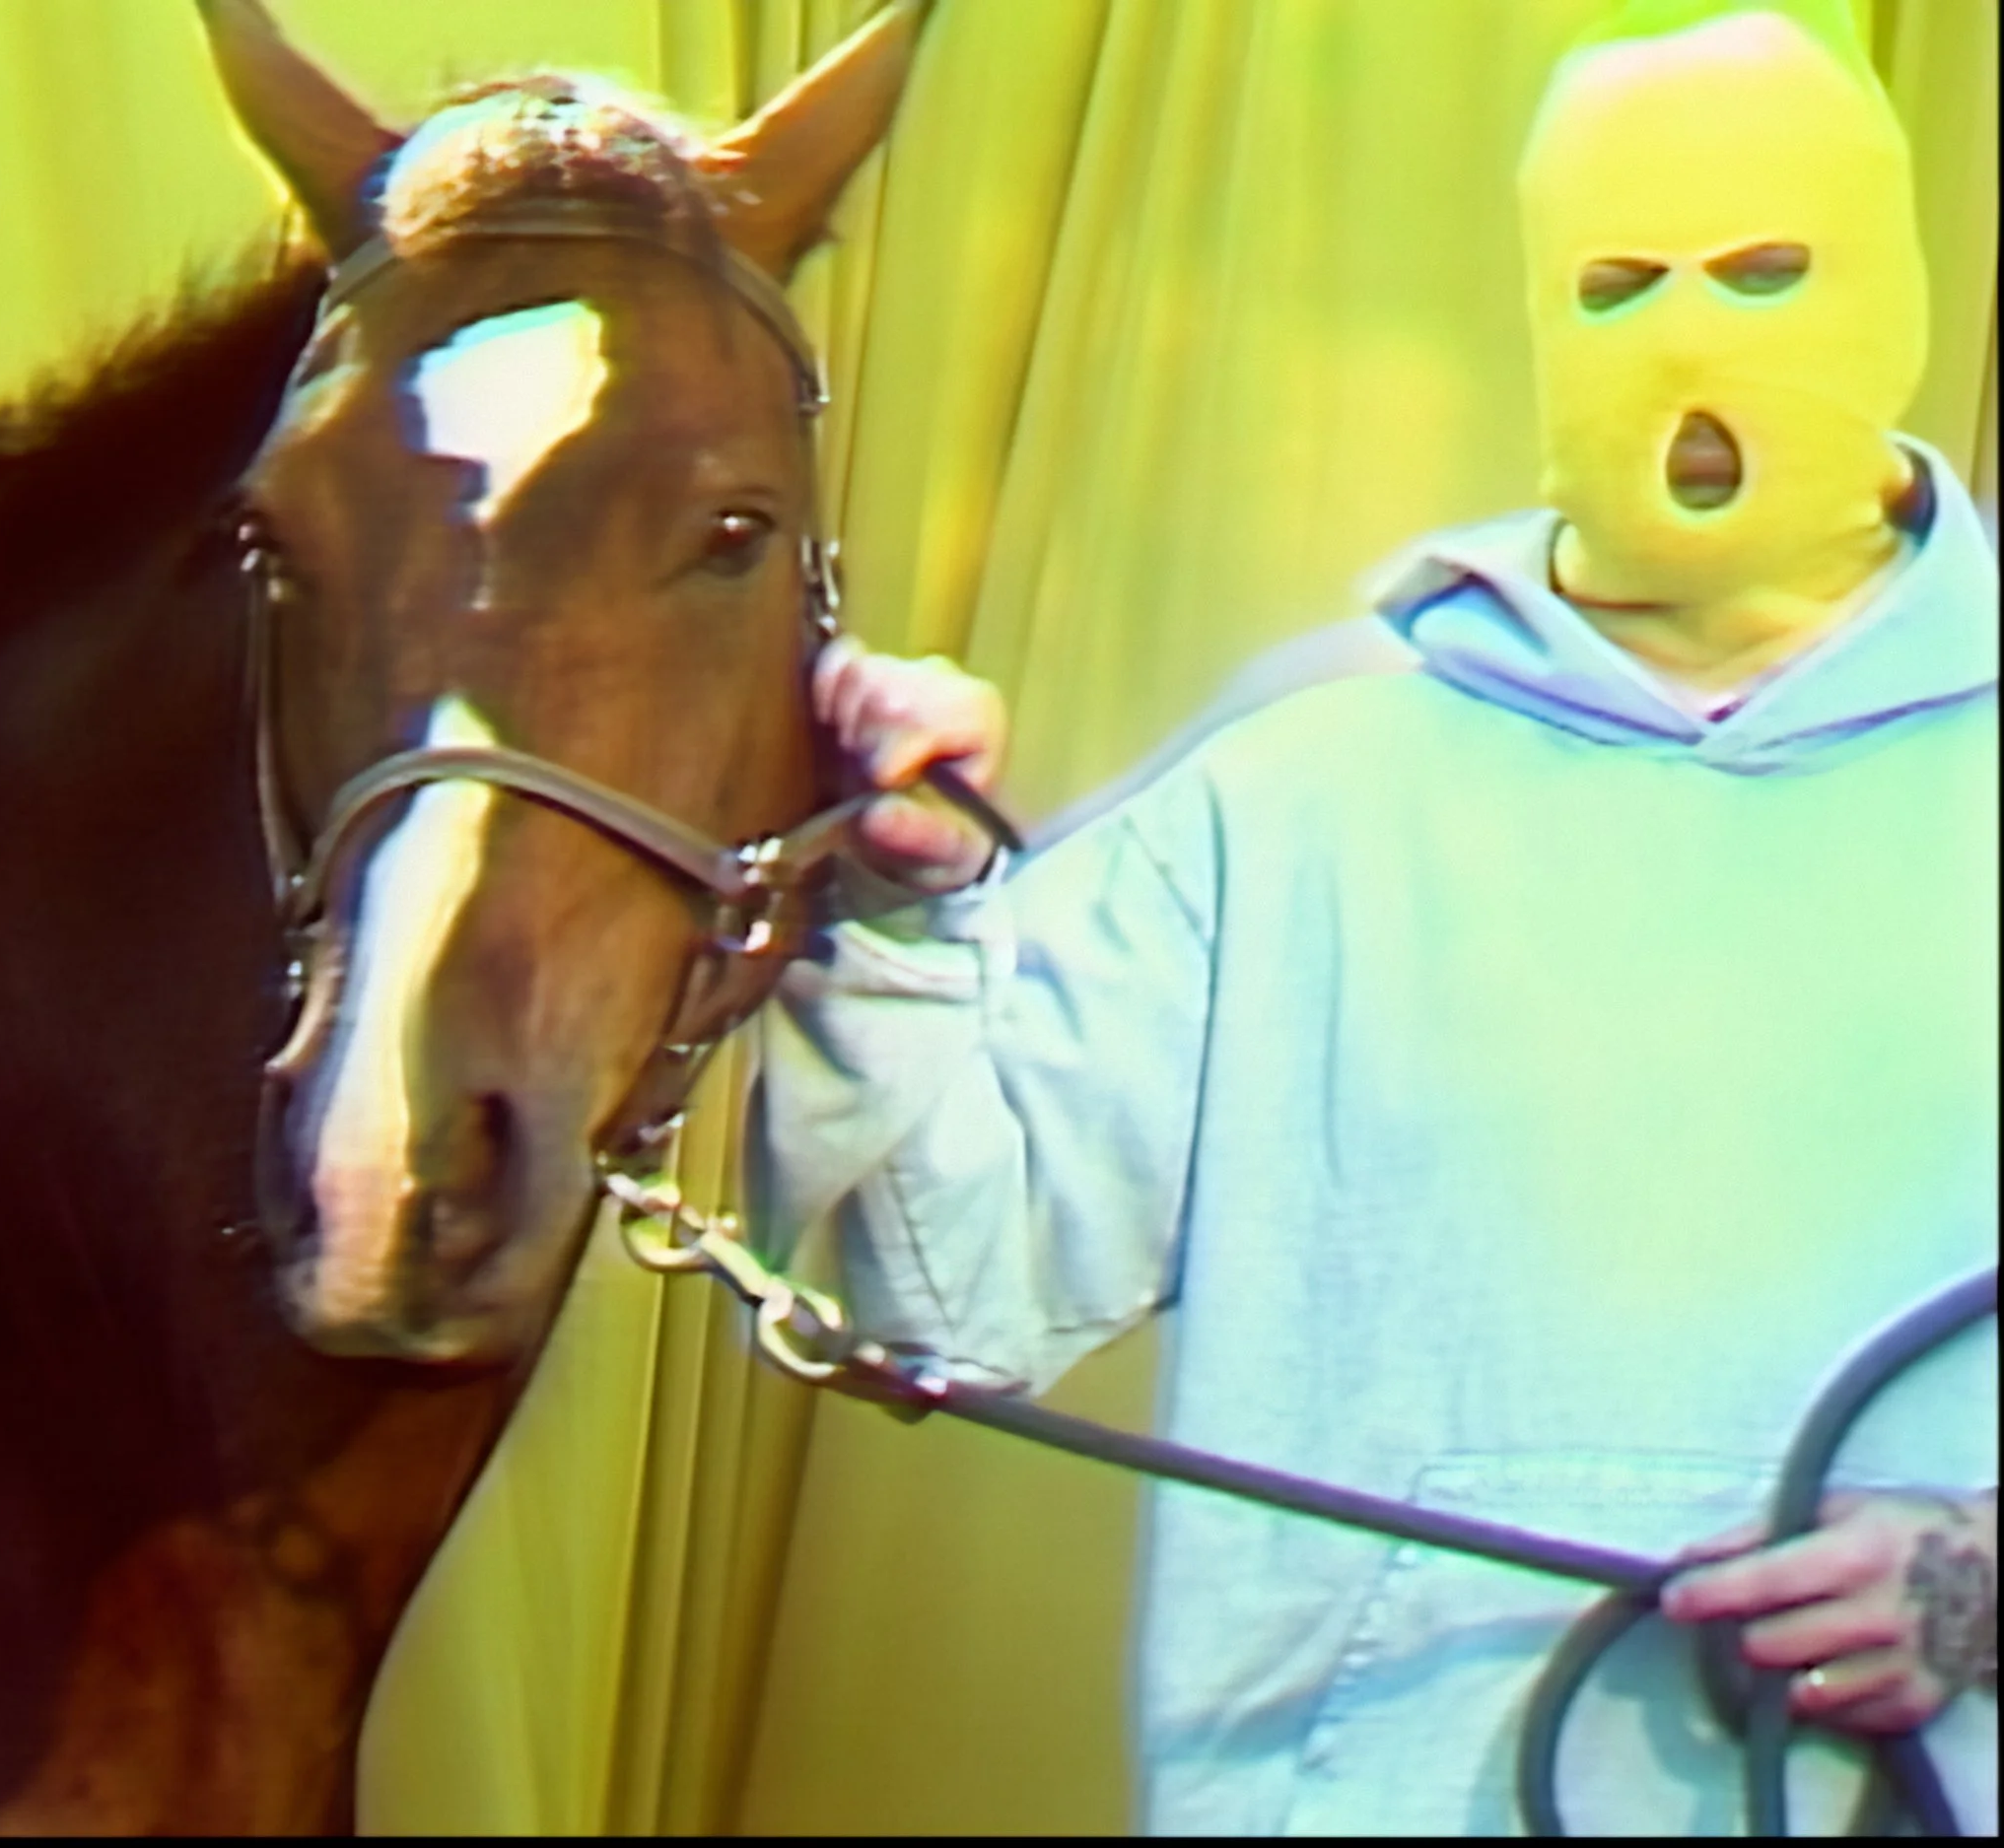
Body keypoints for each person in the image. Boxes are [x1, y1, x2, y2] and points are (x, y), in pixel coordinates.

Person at [751, 0, 1997, 1832]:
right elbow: (953, 1292)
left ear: (1891, 290)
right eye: (1620, 283)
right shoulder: (1297, 788)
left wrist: (1976, 1575)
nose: (1690, 341)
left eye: (1763, 271)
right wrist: (894, 907)